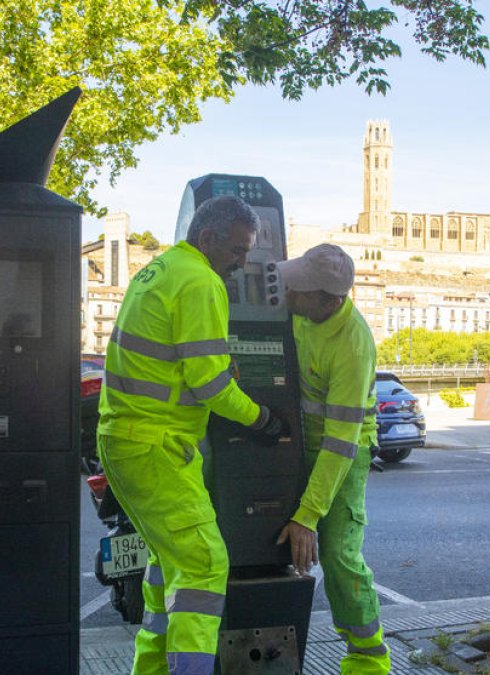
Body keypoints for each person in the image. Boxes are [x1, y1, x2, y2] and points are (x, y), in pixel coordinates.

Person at [97, 195, 285, 675]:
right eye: (238, 250)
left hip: (128, 439)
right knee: (204, 563)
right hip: (157, 446)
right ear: (207, 238)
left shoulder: (158, 271)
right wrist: (263, 419)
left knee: (168, 566)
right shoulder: (201, 281)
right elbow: (212, 387)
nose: (242, 263)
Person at [274, 243, 391, 674]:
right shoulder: (302, 312)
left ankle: (368, 660)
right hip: (296, 443)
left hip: (343, 451)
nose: (289, 292)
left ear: (329, 301)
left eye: (300, 290)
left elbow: (341, 443)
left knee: (339, 555)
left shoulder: (352, 344)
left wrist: (308, 516)